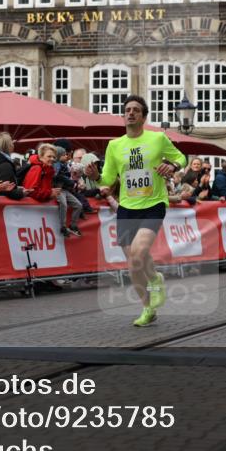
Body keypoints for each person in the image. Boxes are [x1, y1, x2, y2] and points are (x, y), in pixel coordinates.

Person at [85, 95, 186, 327]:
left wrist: (172, 166)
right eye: (127, 110)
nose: (130, 113)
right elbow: (109, 178)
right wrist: (96, 178)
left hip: (153, 204)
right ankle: (148, 306)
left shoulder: (158, 138)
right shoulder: (114, 145)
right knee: (133, 260)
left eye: (136, 110)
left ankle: (155, 282)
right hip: (127, 207)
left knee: (139, 253)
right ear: (123, 116)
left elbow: (181, 157)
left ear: (143, 116)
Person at [24, 143, 83, 237]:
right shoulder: (37, 168)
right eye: (49, 156)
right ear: (41, 156)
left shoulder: (48, 169)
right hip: (31, 219)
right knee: (64, 204)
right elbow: (31, 191)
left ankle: (72, 226)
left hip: (40, 219)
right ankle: (63, 227)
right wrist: (49, 193)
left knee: (78, 205)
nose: (52, 159)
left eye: (54, 157)